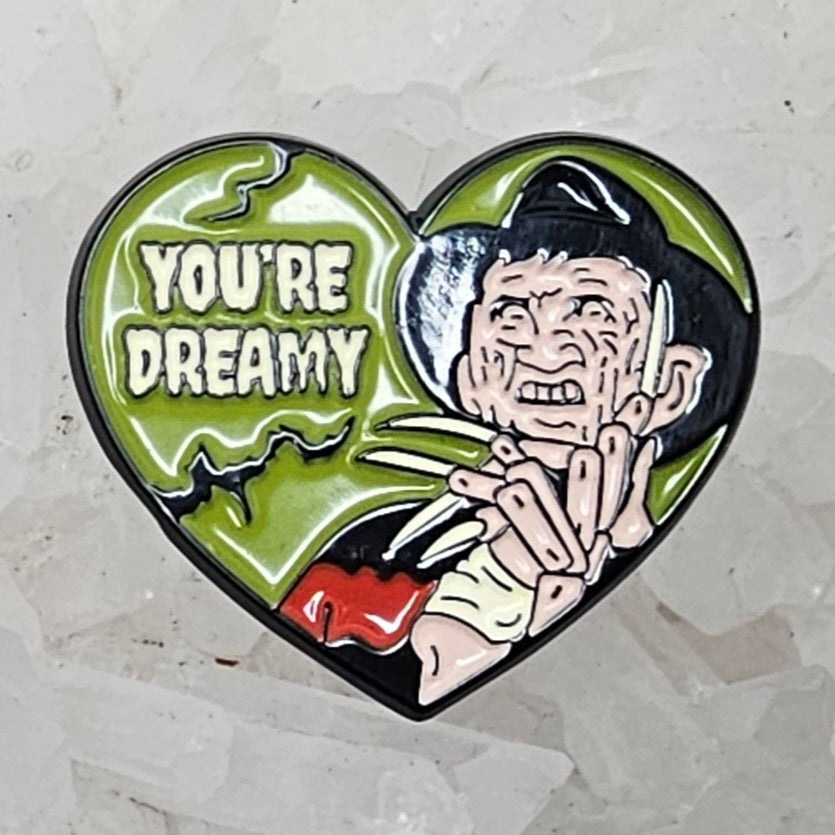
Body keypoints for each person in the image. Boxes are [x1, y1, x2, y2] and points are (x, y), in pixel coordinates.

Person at [280, 158, 753, 709]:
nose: (542, 348)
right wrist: (503, 593)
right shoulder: (370, 560)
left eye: (591, 312)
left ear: (673, 383)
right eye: (510, 314)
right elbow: (340, 692)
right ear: (468, 373)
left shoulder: (704, 561)